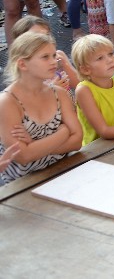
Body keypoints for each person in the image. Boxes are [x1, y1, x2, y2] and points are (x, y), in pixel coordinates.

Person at [0, 32, 82, 184]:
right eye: (45, 57)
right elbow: (23, 156)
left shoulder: (59, 93)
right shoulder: (7, 102)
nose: (53, 62)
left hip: (62, 171)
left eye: (53, 56)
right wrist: (63, 133)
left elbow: (77, 141)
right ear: (23, 64)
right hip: (22, 184)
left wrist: (34, 145)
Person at [9, 16, 79, 98]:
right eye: (36, 37)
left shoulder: (59, 56)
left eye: (47, 35)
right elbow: (28, 104)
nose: (44, 40)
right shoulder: (25, 69)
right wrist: (50, 90)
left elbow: (79, 83)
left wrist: (65, 65)